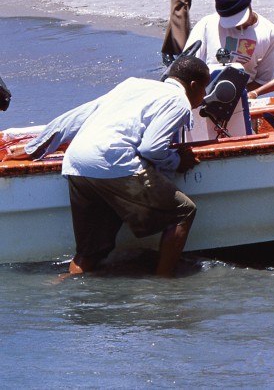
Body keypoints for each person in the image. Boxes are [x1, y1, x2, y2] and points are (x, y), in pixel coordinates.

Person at [60, 56, 211, 277]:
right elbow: (151, 148)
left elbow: (77, 116)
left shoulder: (132, 85)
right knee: (183, 212)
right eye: (204, 89)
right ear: (194, 85)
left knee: (89, 252)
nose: (204, 95)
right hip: (112, 162)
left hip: (76, 163)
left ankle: (63, 281)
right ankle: (164, 282)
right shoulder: (179, 101)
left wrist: (36, 146)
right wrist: (177, 161)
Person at [185, 0, 274, 140]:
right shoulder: (207, 24)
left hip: (243, 104)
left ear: (249, 4)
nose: (235, 27)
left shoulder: (270, 33)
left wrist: (236, 97)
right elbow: (186, 69)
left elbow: (262, 80)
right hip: (202, 101)